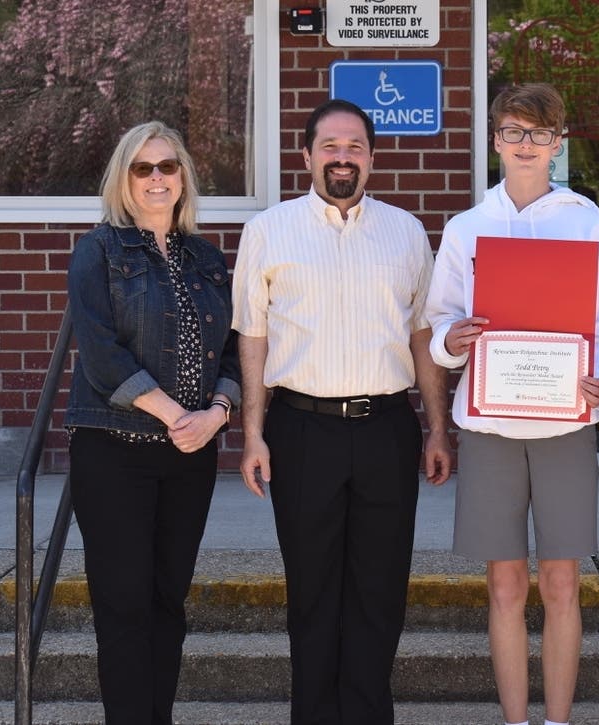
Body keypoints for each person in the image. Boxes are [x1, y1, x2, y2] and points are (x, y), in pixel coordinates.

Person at [231, 98, 452, 725]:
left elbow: (422, 336)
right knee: (312, 593)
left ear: (372, 158)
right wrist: (253, 433)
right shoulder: (268, 230)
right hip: (302, 430)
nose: (342, 157)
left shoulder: (405, 232)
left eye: (355, 146)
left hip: (387, 429)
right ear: (306, 155)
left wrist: (437, 427)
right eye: (330, 146)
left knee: (380, 591)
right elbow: (252, 337)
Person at [426, 83, 599, 725]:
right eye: (513, 131)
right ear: (495, 140)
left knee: (562, 582)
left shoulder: (585, 221)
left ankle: (557, 721)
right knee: (506, 584)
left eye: (539, 133)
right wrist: (451, 340)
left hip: (564, 421)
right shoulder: (467, 227)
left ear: (558, 143)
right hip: (490, 425)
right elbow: (439, 323)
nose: (525, 144)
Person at [64, 121, 241, 725]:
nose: (157, 178)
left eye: (168, 166)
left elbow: (233, 352)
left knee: (169, 601)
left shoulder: (207, 259)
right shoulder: (99, 251)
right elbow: (101, 352)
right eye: (143, 168)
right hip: (114, 451)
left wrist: (216, 414)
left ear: (183, 177)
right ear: (125, 178)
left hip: (189, 454)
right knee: (124, 604)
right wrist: (176, 415)